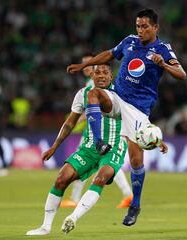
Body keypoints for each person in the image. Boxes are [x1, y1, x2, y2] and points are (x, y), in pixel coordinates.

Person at [66, 9, 186, 226]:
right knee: (93, 94)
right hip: (117, 95)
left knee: (136, 160)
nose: (140, 30)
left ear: (155, 27)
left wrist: (163, 65)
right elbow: (109, 54)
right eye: (138, 26)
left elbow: (181, 74)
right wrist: (85, 65)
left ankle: (135, 204)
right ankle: (98, 142)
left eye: (144, 26)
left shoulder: (163, 49)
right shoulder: (130, 41)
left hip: (138, 109)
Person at [26, 63, 128, 236]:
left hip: (114, 146)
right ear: (92, 76)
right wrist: (54, 147)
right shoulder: (83, 94)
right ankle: (45, 227)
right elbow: (70, 122)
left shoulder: (123, 95)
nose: (101, 76)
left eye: (105, 73)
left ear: (112, 77)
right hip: (89, 147)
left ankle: (73, 218)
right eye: (97, 73)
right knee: (61, 178)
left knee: (100, 178)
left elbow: (137, 119)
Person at [61, 54, 133, 209]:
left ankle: (75, 198)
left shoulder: (96, 86)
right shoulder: (91, 83)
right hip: (95, 130)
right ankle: (127, 194)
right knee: (106, 163)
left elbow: (93, 111)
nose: (86, 67)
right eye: (84, 64)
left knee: (91, 162)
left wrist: (75, 122)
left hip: (101, 132)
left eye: (89, 64)